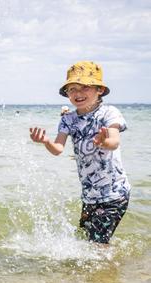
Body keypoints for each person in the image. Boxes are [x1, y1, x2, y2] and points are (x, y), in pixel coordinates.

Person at [29, 61, 130, 245]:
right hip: (90, 195)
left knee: (96, 244)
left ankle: (105, 272)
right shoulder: (68, 119)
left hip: (114, 193)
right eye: (72, 89)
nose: (78, 93)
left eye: (85, 87)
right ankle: (111, 265)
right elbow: (58, 149)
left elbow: (114, 142)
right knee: (84, 240)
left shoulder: (109, 113)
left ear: (99, 90)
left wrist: (103, 141)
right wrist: (46, 141)